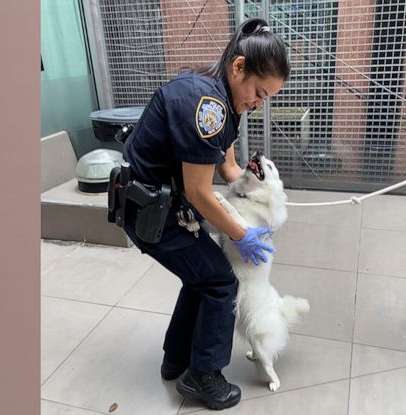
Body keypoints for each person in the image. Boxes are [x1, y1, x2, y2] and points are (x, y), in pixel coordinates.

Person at [112, 18, 290, 410]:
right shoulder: (207, 107)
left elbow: (227, 169)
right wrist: (242, 235)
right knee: (220, 282)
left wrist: (262, 193)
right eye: (259, 93)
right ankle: (203, 376)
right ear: (239, 67)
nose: (258, 103)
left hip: (163, 206)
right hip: (149, 212)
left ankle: (176, 360)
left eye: (265, 98)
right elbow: (199, 190)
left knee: (201, 278)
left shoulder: (227, 101)